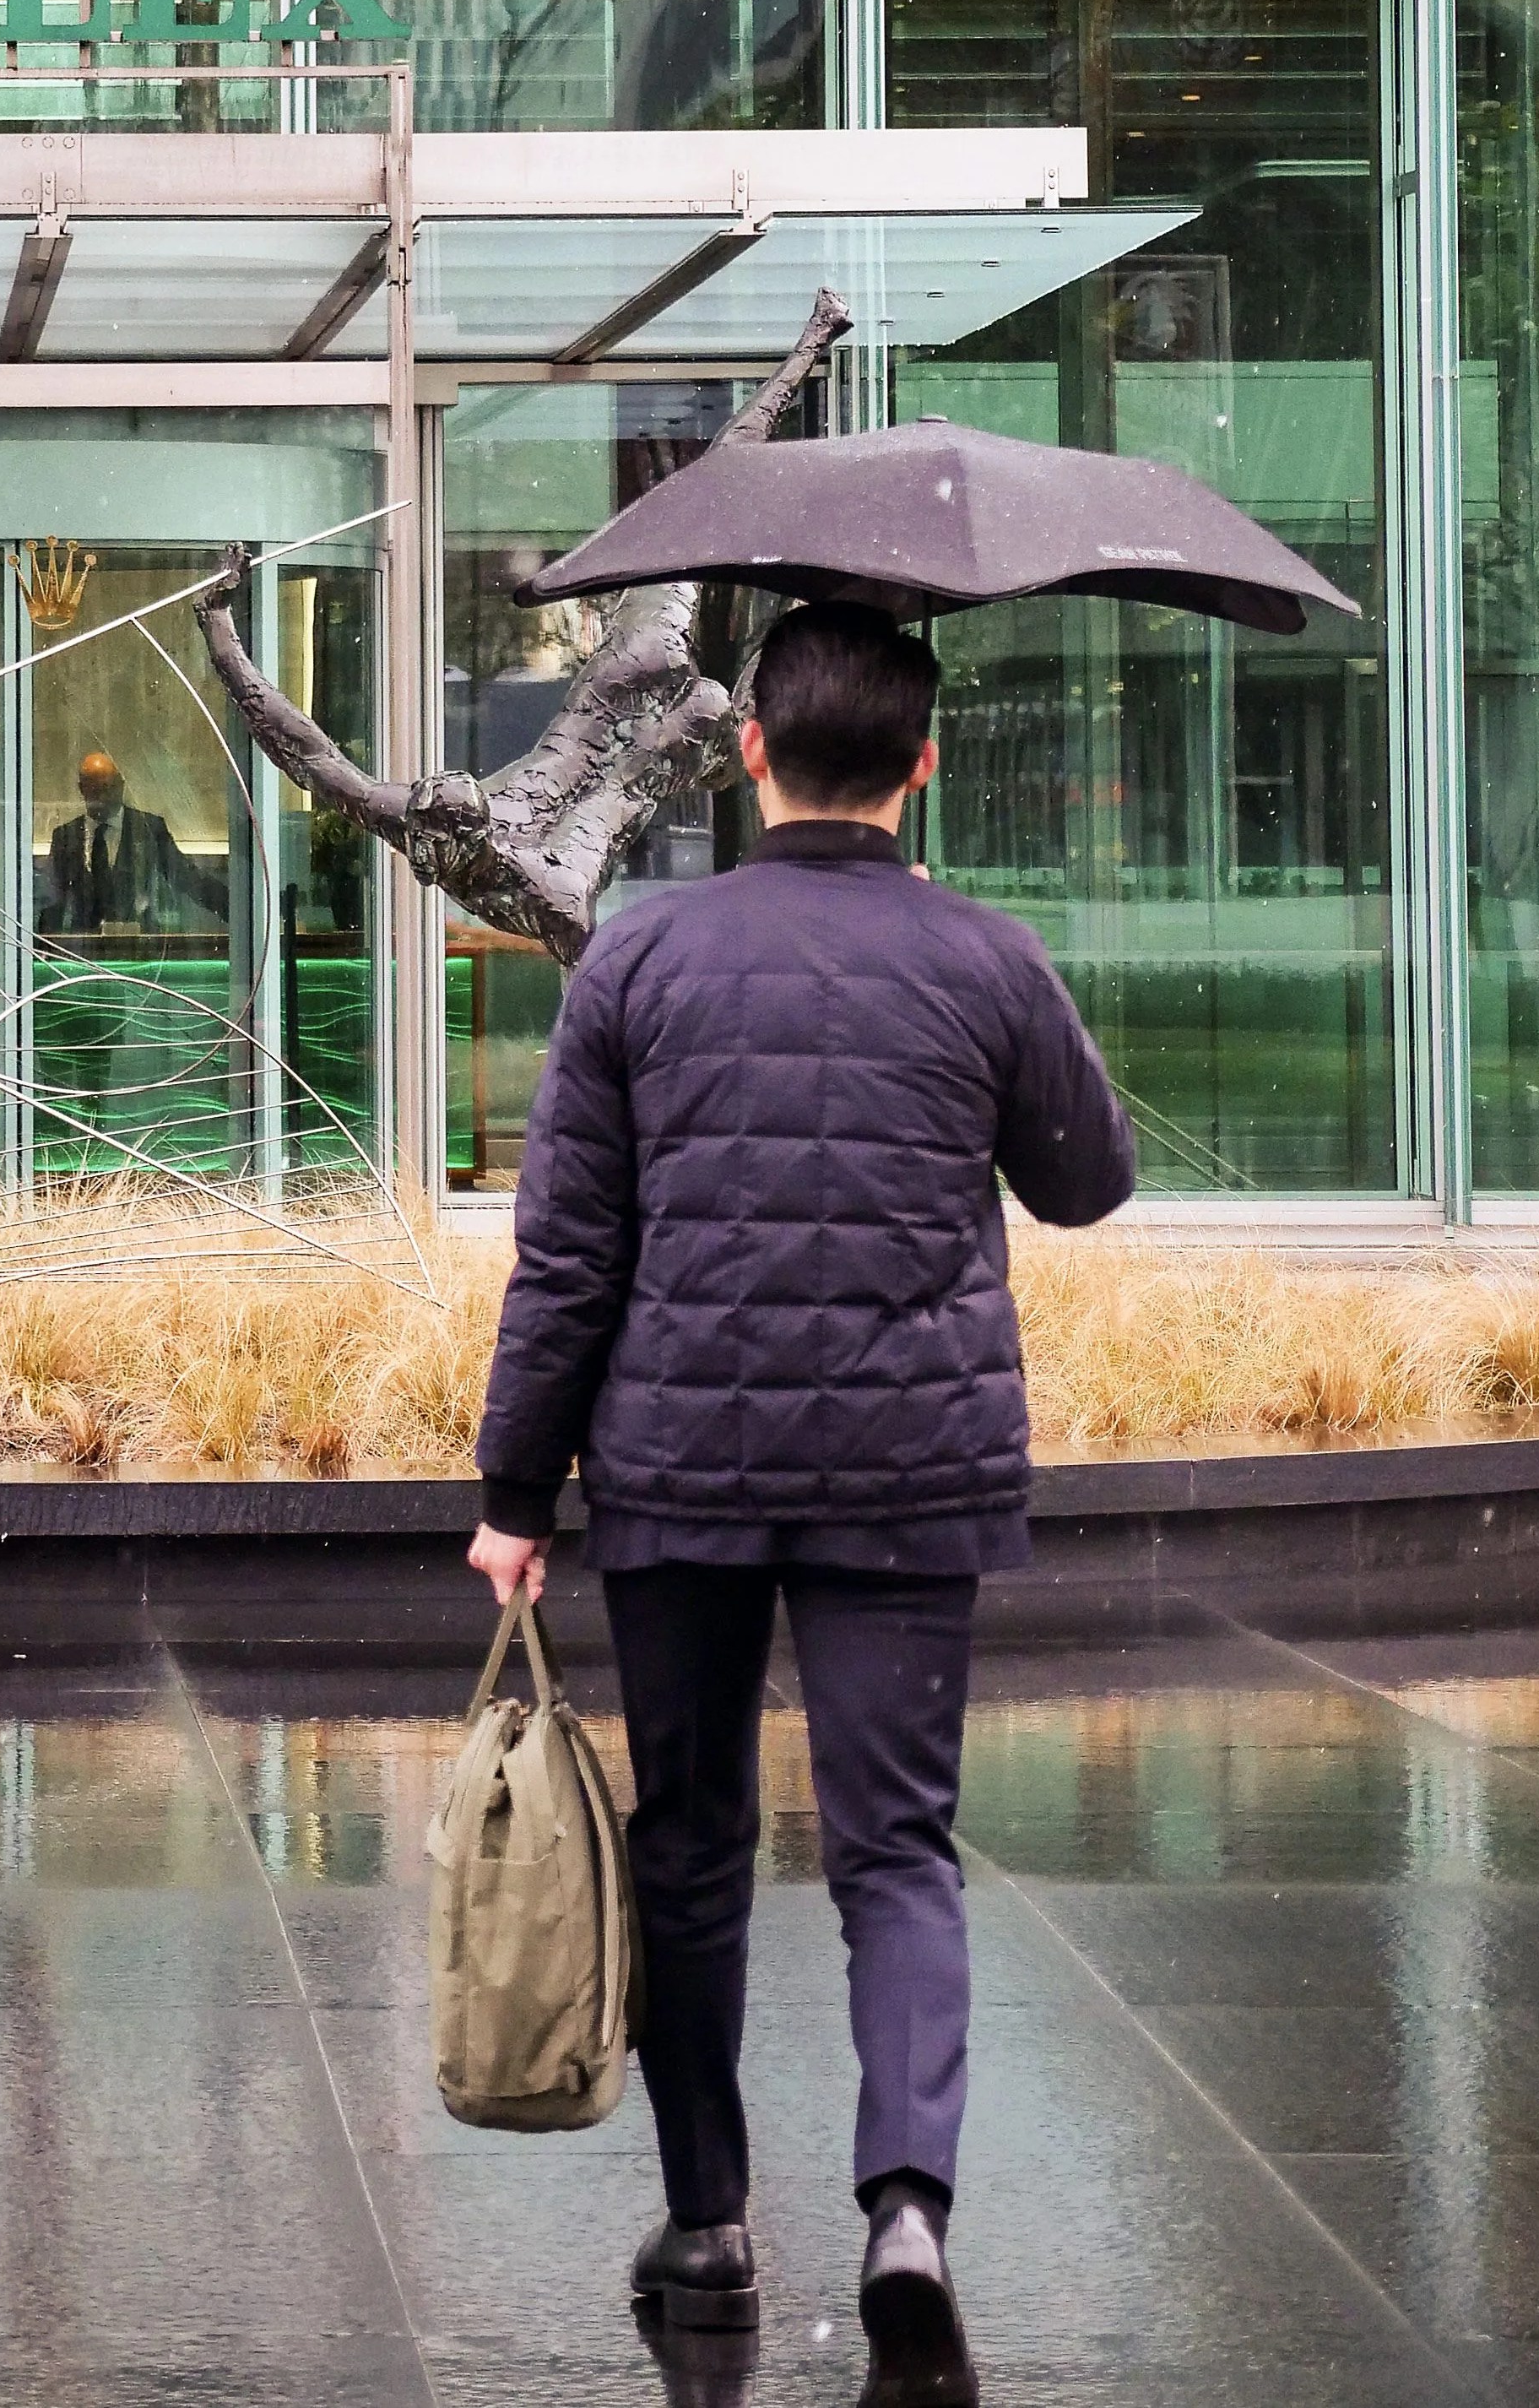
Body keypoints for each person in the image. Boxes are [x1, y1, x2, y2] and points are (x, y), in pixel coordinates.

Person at [463, 600, 1134, 2408]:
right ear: (920, 763)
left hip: (677, 1469)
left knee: (686, 1844)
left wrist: (514, 1487)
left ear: (746, 746)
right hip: (910, 1472)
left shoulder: (637, 957)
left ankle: (706, 2222)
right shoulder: (984, 958)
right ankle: (904, 2210)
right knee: (894, 1850)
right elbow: (1085, 1183)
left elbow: (566, 1258)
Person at [39, 749, 226, 938]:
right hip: (84, 943)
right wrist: (43, 945)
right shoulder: (65, 836)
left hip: (142, 940)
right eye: (96, 791)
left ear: (121, 786)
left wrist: (234, 908)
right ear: (82, 789)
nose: (103, 798)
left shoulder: (148, 829)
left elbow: (185, 876)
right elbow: (55, 899)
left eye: (109, 788)